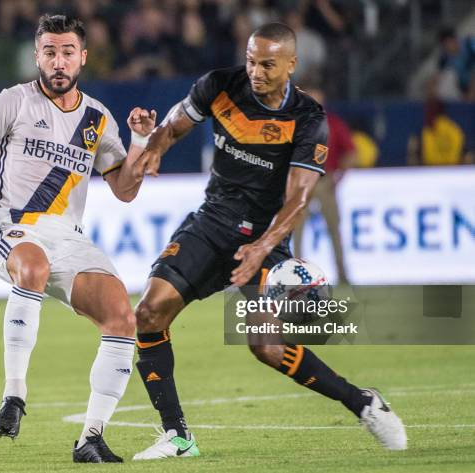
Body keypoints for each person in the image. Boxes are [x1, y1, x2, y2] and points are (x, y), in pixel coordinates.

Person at [131, 23, 407, 460]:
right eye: (250, 60)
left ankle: (364, 402)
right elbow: (174, 124)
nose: (255, 71)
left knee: (268, 347)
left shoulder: (308, 119)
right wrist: (155, 143)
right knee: (148, 312)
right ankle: (178, 438)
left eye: (267, 64)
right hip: (211, 222)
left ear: (291, 65)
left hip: (265, 237)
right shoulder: (218, 86)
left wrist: (262, 248)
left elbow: (298, 199)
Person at [0, 14, 156, 463]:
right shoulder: (13, 102)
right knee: (35, 267)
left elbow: (124, 190)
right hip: (12, 224)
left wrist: (139, 141)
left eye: (66, 53)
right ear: (36, 56)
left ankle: (91, 438)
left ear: (83, 57)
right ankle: (14, 395)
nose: (57, 62)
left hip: (69, 236)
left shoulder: (98, 118)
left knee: (122, 315)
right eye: (49, 52)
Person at [292, 84, 355, 283]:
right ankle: (296, 275)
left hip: (324, 180)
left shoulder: (333, 124)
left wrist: (338, 177)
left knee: (333, 228)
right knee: (297, 230)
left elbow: (351, 153)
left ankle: (342, 274)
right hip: (302, 181)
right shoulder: (295, 125)